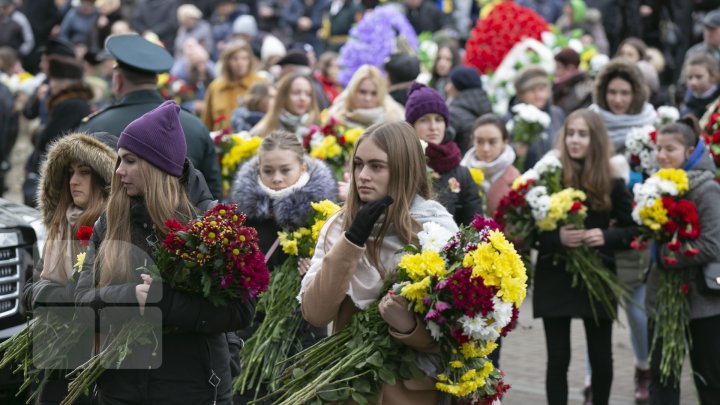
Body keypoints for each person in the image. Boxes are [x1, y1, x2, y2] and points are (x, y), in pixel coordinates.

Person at [74, 100, 254, 404]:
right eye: (119, 160)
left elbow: (241, 312)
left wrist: (168, 303)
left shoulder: (212, 223)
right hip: (120, 390)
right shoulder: (111, 220)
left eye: (130, 161)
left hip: (193, 389)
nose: (118, 171)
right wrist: (130, 296)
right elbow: (81, 303)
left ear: (158, 165)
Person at [299, 120, 458, 403]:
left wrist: (409, 328)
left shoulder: (436, 230)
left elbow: (453, 335)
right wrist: (352, 240)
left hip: (410, 393)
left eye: (376, 166)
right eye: (359, 165)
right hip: (349, 388)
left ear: (403, 169)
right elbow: (315, 313)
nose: (363, 175)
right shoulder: (339, 227)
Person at [533, 109, 636, 405]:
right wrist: (557, 239)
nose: (575, 141)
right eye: (571, 134)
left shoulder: (611, 178)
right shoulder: (548, 174)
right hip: (555, 273)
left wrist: (606, 236)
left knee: (601, 356)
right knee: (558, 358)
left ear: (596, 139)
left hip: (598, 274)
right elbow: (528, 229)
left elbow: (633, 230)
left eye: (583, 134)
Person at [230, 132, 337, 399]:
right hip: (252, 322)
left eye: (284, 170)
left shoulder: (319, 213)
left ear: (302, 168)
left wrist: (316, 268)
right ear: (258, 170)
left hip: (301, 326)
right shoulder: (247, 214)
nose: (276, 178)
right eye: (268, 171)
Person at [22, 132, 117, 404]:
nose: (73, 181)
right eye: (70, 172)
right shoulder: (60, 227)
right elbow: (29, 293)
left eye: (84, 172)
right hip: (55, 364)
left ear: (103, 179)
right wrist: (54, 296)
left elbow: (105, 304)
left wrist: (54, 297)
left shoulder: (118, 231)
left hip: (103, 364)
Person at [77, 34, 223, 199]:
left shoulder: (95, 126)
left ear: (118, 80)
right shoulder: (195, 126)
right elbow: (213, 195)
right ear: (156, 80)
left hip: (112, 224)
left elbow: (81, 193)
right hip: (186, 222)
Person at [646, 118, 720, 405]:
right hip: (663, 300)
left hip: (702, 303)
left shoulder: (706, 189)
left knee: (709, 379)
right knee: (662, 380)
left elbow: (711, 246)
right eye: (659, 148)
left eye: (671, 149)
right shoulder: (655, 186)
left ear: (690, 152)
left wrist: (664, 256)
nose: (662, 156)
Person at [405, 82, 482, 226]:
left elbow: (474, 225)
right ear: (411, 126)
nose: (433, 127)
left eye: (438, 119)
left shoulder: (462, 173)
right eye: (424, 120)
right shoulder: (402, 166)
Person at [23, 53, 93, 207]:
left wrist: (38, 133)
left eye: (54, 80)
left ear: (66, 82)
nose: (51, 85)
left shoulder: (69, 105)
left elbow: (49, 139)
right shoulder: (73, 103)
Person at [589, 59, 656, 154]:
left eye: (625, 93)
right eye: (612, 92)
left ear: (636, 94)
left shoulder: (651, 123)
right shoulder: (590, 121)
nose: (618, 100)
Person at [507, 65, 566, 171]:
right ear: (521, 94)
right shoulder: (509, 119)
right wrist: (514, 150)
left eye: (542, 89)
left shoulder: (557, 114)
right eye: (531, 90)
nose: (538, 95)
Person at [461, 114, 521, 217]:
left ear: (504, 142)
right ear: (472, 141)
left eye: (492, 142)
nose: (486, 148)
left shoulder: (516, 179)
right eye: (479, 141)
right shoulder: (461, 173)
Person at [202, 40, 265, 131]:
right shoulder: (216, 87)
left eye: (244, 58)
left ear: (250, 61)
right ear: (227, 62)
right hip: (221, 142)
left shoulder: (260, 84)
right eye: (235, 59)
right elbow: (207, 121)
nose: (240, 63)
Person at [327, 65, 405, 130]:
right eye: (362, 92)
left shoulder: (395, 119)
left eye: (374, 93)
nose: (368, 98)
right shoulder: (336, 116)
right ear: (353, 91)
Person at [250, 73, 320, 139]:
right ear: (283, 96)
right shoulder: (263, 130)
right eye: (296, 93)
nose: (302, 98)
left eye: (308, 94)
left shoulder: (317, 130)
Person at [446, 66, 493, 154]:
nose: (447, 88)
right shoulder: (486, 107)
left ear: (458, 86)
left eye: (450, 83)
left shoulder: (453, 114)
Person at [552, 47, 594, 116]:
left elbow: (567, 110)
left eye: (558, 67)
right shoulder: (562, 86)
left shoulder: (582, 89)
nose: (555, 72)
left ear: (570, 68)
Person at [681, 53, 720, 120]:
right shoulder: (688, 102)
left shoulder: (717, 102)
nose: (693, 82)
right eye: (690, 77)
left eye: (699, 77)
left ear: (713, 76)